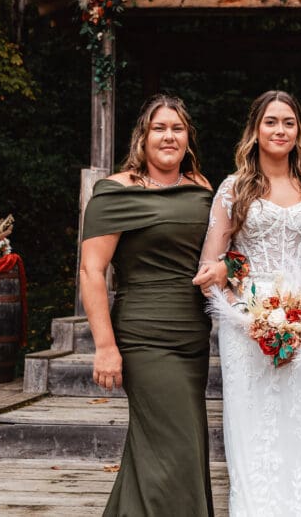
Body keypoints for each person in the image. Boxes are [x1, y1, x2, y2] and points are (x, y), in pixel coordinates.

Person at [192, 90, 301, 516]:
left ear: (299, 132)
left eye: (289, 122)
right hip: (248, 323)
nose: (280, 130)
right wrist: (244, 318)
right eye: (271, 121)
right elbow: (211, 263)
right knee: (254, 430)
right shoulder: (235, 187)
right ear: (255, 130)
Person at [80, 94, 214, 517]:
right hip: (143, 336)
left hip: (192, 336)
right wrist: (104, 346)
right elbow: (91, 271)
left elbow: (218, 256)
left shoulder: (202, 189)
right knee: (177, 446)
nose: (168, 136)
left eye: (177, 128)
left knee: (164, 446)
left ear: (188, 137)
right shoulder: (114, 193)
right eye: (160, 128)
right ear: (143, 136)